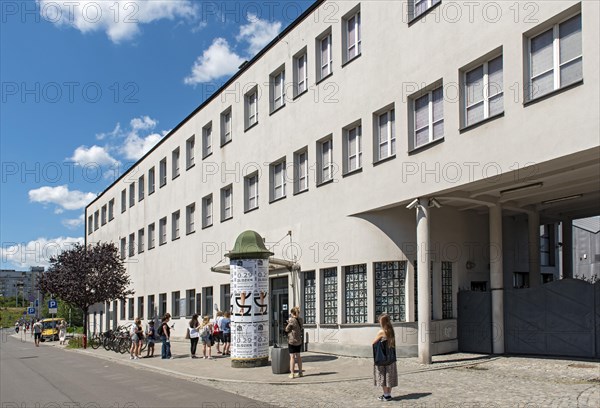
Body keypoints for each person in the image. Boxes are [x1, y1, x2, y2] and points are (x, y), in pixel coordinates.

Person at [372, 313, 398, 402]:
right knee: (389, 376)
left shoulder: (381, 332)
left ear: (382, 322)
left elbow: (373, 343)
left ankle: (385, 395)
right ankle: (389, 394)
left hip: (382, 358)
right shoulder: (391, 330)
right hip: (390, 357)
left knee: (382, 375)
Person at [285, 306, 304, 378]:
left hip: (292, 341)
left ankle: (292, 373)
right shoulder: (301, 320)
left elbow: (287, 329)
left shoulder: (292, 320)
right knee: (298, 356)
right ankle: (300, 372)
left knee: (292, 357)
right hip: (299, 340)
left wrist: (289, 322)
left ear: (292, 313)